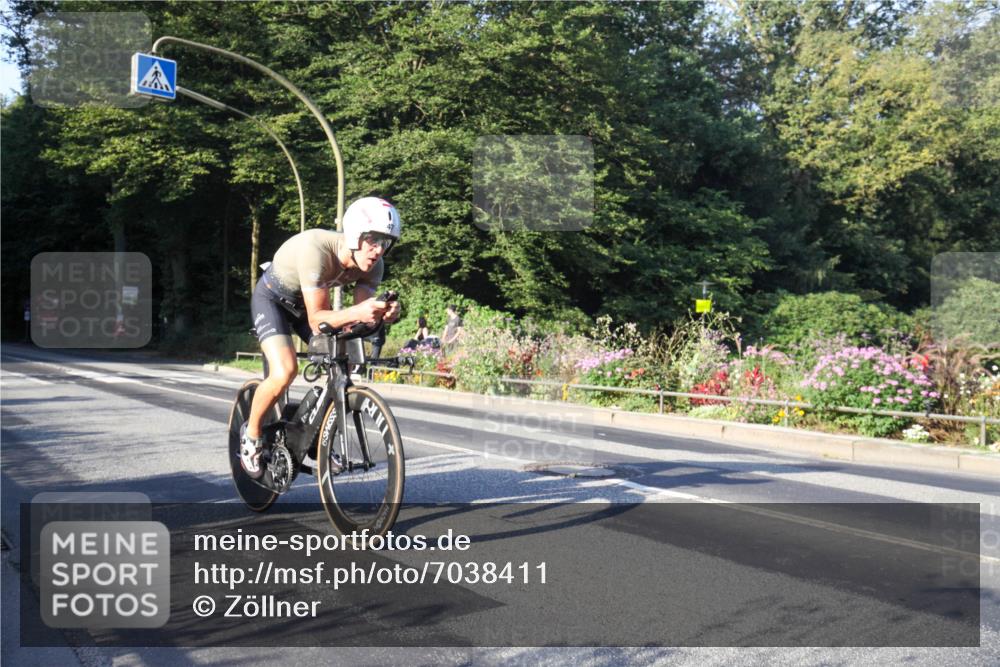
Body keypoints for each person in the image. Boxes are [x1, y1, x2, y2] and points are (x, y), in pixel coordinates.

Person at [241, 197, 402, 479]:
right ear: (354, 234)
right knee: (285, 370)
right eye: (373, 240)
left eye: (385, 243)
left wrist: (382, 315)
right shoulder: (316, 250)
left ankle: (315, 432)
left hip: (308, 307)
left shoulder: (374, 266)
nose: (378, 250)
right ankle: (251, 436)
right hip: (274, 301)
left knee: (346, 360)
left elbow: (357, 323)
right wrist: (360, 311)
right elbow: (318, 319)